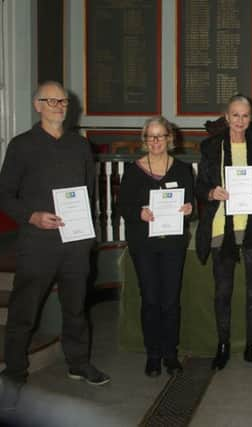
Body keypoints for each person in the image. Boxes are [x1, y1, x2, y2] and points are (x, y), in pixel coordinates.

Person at [0, 81, 110, 400]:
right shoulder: (21, 145)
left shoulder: (80, 145)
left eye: (63, 101)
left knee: (76, 308)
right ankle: (14, 371)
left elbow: (88, 193)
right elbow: (5, 194)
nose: (58, 106)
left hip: (75, 242)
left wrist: (88, 234)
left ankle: (78, 363)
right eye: (51, 101)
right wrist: (32, 216)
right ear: (37, 105)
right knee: (24, 310)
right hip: (38, 243)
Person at [195, 94, 252, 370]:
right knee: (223, 292)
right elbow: (199, 186)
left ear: (251, 118)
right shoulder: (210, 147)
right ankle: (223, 345)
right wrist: (211, 192)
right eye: (235, 115)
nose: (240, 120)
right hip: (222, 227)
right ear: (227, 116)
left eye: (245, 115)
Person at [118, 116, 194, 377]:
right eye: (150, 136)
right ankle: (153, 354)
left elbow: (193, 204)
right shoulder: (134, 171)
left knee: (170, 301)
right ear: (144, 140)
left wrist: (189, 208)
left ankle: (170, 354)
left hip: (173, 243)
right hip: (144, 245)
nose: (155, 141)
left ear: (169, 139)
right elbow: (122, 206)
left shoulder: (183, 170)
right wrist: (138, 213)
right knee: (150, 299)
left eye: (160, 136)